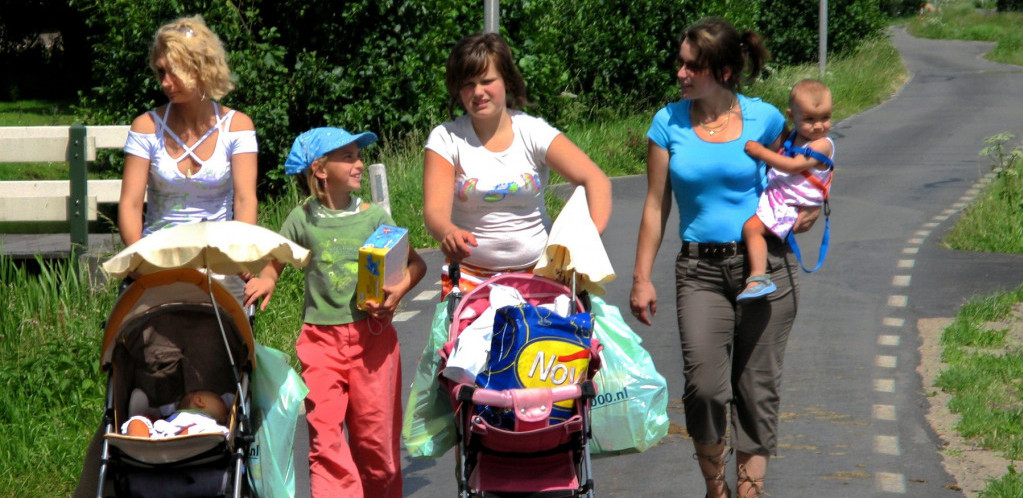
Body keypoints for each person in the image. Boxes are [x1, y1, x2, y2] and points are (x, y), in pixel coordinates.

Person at [628, 18, 820, 498]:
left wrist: (810, 208)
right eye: (681, 63)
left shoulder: (767, 120)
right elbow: (655, 205)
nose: (681, 73)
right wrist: (640, 278)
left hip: (765, 268)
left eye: (694, 66)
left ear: (726, 71)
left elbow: (803, 173)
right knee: (706, 390)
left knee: (756, 393)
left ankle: (750, 492)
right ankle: (717, 488)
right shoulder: (666, 123)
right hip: (699, 271)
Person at [244, 127, 427, 498]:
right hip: (320, 342)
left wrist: (400, 288)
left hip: (372, 344)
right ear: (320, 169)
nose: (359, 163)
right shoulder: (302, 217)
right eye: (348, 157)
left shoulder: (374, 218)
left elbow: (417, 265)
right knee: (324, 438)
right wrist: (266, 278)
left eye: (359, 156)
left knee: (376, 447)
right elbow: (279, 257)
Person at [423, 32, 612, 296]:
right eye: (468, 84)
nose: (478, 92)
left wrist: (588, 238)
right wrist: (448, 232)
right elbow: (435, 213)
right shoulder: (446, 138)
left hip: (541, 275)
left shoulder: (532, 131)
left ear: (507, 81)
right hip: (471, 280)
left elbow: (596, 180)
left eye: (487, 81)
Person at [117, 14, 258, 302]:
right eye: (160, 73)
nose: (166, 83)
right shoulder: (147, 126)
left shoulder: (238, 126)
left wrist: (239, 254)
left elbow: (245, 199)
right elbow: (130, 203)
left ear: (202, 67)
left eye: (174, 72)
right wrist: (141, 261)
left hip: (218, 260)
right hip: (157, 259)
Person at [738, 79, 835, 301]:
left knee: (751, 228)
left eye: (825, 118)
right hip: (784, 199)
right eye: (809, 119)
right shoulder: (794, 138)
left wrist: (761, 152)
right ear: (792, 117)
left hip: (793, 205)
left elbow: (794, 166)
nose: (819, 126)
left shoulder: (823, 144)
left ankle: (758, 278)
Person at [123, 389, 230, 438]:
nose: (226, 409)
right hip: (159, 441)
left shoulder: (210, 425)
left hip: (193, 440)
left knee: (213, 433)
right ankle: (140, 443)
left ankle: (144, 447)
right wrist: (149, 417)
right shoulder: (177, 416)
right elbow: (167, 410)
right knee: (138, 421)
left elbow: (232, 399)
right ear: (199, 402)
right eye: (221, 401)